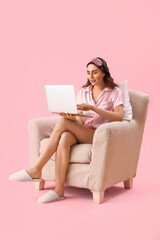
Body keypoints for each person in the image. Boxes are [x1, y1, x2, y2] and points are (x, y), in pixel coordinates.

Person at [8, 57, 124, 204]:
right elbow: (79, 122)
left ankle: (36, 168)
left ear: (103, 73)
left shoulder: (114, 92)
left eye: (94, 73)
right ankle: (59, 191)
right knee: (64, 137)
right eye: (88, 73)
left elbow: (120, 116)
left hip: (98, 135)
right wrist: (70, 117)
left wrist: (94, 108)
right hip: (83, 130)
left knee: (63, 124)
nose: (91, 77)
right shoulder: (84, 91)